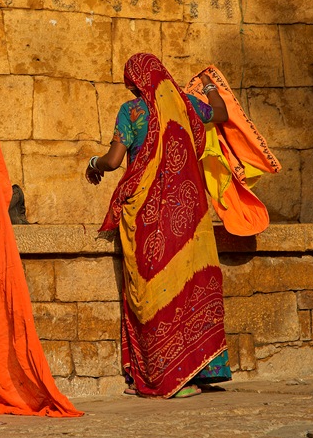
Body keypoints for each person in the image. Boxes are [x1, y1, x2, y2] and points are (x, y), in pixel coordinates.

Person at [85, 53, 231, 398]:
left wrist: (93, 163)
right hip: (191, 214)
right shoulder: (188, 105)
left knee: (153, 288)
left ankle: (169, 375)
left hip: (149, 214)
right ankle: (204, 367)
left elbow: (114, 160)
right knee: (192, 281)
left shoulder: (132, 112)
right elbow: (222, 114)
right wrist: (210, 87)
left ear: (134, 82)